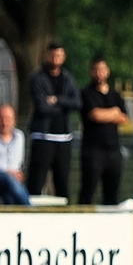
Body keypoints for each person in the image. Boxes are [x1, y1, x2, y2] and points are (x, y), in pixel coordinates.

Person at [26, 42, 81, 199]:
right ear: (46, 56)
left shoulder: (68, 78)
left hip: (64, 138)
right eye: (52, 55)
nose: (55, 59)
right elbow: (42, 107)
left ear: (64, 57)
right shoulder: (37, 78)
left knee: (62, 183)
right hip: (43, 136)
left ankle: (65, 210)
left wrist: (57, 100)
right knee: (36, 182)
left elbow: (77, 103)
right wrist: (65, 106)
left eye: (59, 55)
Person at [78, 56, 128, 205]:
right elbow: (95, 115)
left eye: (102, 70)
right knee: (88, 190)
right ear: (91, 72)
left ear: (107, 71)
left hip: (113, 150)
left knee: (112, 193)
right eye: (95, 70)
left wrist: (107, 114)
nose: (99, 74)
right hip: (92, 151)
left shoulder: (115, 94)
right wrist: (114, 111)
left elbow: (124, 118)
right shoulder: (86, 93)